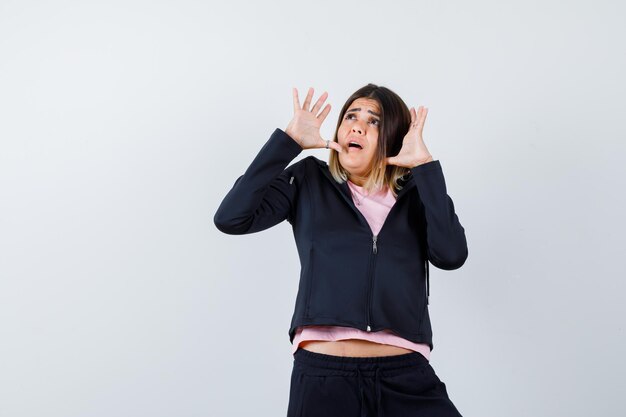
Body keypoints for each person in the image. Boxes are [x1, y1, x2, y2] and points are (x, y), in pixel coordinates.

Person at [214, 83, 468, 416]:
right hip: (324, 377)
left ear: (394, 136)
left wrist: (425, 166)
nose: (357, 125)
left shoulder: (419, 192)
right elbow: (231, 218)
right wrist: (287, 143)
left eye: (374, 121)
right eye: (351, 115)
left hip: (406, 377)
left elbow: (451, 255)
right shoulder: (308, 180)